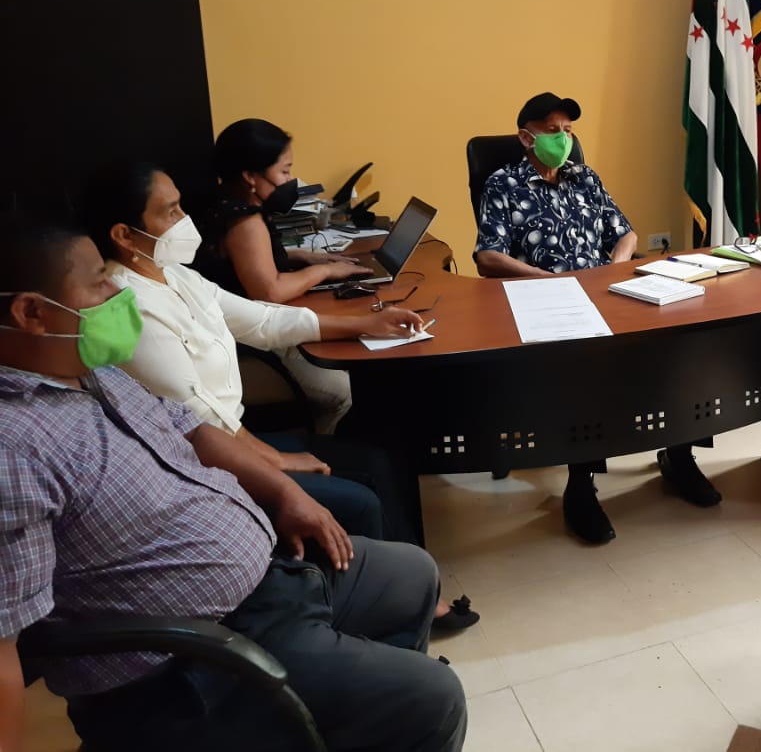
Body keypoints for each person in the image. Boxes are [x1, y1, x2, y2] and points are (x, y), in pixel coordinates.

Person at [0, 215, 466, 752]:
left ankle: (355, 719)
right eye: (98, 282)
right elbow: (6, 641)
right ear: (32, 312)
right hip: (193, 663)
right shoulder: (14, 449)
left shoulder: (89, 369)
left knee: (413, 574)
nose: (115, 292)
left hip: (267, 585)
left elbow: (190, 426)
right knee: (434, 698)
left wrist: (284, 492)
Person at [85, 162, 480, 632]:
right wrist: (275, 459)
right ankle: (370, 613)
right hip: (209, 461)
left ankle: (410, 593)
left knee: (381, 457)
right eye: (170, 212)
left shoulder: (173, 275)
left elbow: (262, 320)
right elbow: (197, 417)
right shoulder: (131, 304)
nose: (184, 220)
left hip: (237, 438)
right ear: (124, 235)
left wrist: (366, 323)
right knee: (361, 498)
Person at [474, 91, 718, 544]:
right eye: (552, 130)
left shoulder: (584, 177)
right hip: (545, 301)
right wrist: (548, 280)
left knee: (679, 341)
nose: (563, 139)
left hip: (605, 292)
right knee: (584, 364)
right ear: (526, 137)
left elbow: (625, 234)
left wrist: (617, 267)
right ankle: (581, 485)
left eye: (568, 131)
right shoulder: (502, 184)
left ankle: (679, 455)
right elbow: (488, 257)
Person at [201, 118, 369, 436]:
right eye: (285, 171)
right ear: (250, 176)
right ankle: (323, 450)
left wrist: (301, 256)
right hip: (253, 344)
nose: (290, 181)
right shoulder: (245, 222)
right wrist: (324, 270)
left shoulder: (222, 203)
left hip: (237, 333)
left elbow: (241, 262)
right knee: (342, 392)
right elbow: (270, 291)